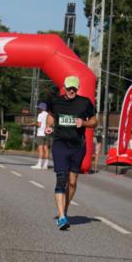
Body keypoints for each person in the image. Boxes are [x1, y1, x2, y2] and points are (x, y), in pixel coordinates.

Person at [44, 76, 96, 230]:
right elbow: (51, 115)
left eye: (74, 88)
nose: (71, 91)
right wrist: (48, 126)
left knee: (72, 182)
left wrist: (84, 123)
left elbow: (95, 121)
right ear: (64, 88)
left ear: (77, 88)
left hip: (77, 146)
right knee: (61, 178)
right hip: (60, 144)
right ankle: (61, 217)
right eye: (69, 88)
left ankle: (64, 209)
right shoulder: (56, 101)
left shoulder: (84, 102)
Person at [32, 102, 50, 169]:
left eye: (39, 108)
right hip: (47, 133)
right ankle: (45, 165)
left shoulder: (40, 115)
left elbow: (39, 125)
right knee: (46, 149)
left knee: (40, 149)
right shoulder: (48, 114)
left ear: (41, 108)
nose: (38, 109)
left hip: (40, 133)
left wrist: (34, 124)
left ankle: (39, 164)